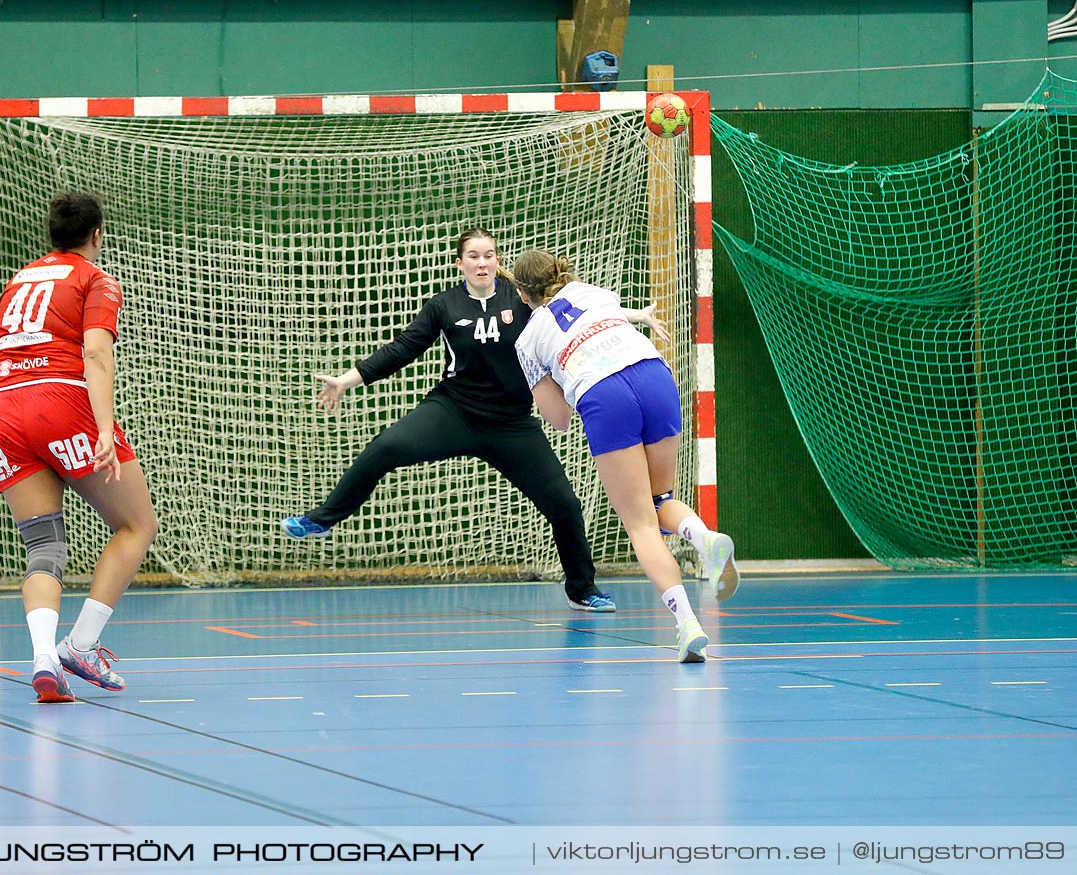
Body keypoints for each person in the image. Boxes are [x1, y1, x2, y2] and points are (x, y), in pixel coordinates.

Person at [283, 228, 615, 613]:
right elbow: (401, 350)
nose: (482, 262)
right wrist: (346, 380)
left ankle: (582, 589)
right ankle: (323, 519)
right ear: (460, 264)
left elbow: (574, 315)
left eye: (489, 254)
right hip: (455, 410)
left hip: (511, 422)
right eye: (473, 256)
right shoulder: (444, 306)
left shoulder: (520, 298)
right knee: (385, 447)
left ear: (498, 261)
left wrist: (633, 315)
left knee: (564, 505)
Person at [510, 249, 737, 663]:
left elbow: (558, 418)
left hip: (604, 393)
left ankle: (688, 624)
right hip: (653, 374)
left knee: (640, 524)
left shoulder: (527, 340)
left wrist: (554, 376)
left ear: (522, 294)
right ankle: (704, 539)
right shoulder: (595, 292)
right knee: (660, 499)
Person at [0, 192, 159, 702]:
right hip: (60, 402)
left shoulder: (17, 281)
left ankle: (42, 660)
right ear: (96, 235)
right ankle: (80, 644)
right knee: (137, 524)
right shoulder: (95, 279)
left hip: (1, 410)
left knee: (43, 546)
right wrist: (103, 427)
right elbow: (96, 355)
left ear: (50, 235)